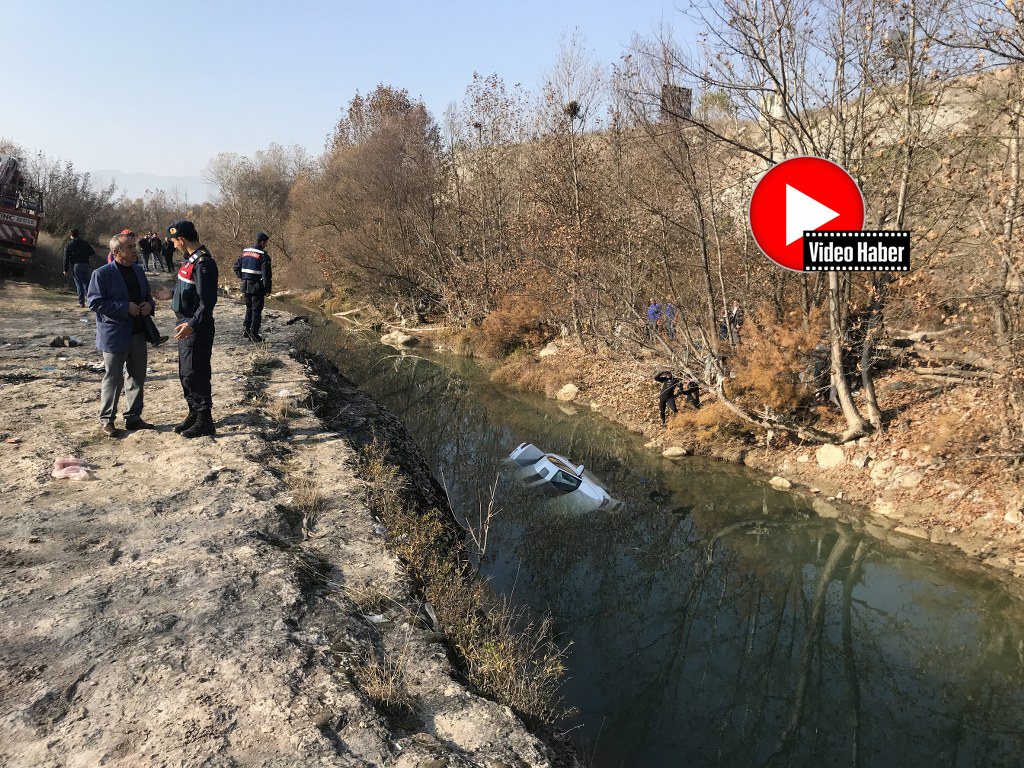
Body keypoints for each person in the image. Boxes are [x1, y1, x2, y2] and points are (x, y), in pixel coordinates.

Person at [86, 230, 156, 436]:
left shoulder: (139, 271)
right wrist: (124, 307)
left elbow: (147, 296)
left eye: (135, 246)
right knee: (113, 379)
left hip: (138, 333)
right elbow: (94, 302)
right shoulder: (101, 274)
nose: (135, 250)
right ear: (117, 251)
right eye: (130, 247)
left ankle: (133, 417)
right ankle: (107, 420)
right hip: (115, 335)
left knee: (137, 378)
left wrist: (149, 306)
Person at [168, 219, 219, 438]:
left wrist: (192, 324)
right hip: (185, 323)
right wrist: (170, 295)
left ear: (181, 239)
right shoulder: (190, 260)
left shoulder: (203, 263)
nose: (172, 245)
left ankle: (204, 419)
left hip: (195, 326)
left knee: (195, 372)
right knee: (185, 372)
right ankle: (193, 412)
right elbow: (188, 291)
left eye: (173, 241)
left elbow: (207, 303)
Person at [233, 231, 273, 342]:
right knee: (256, 311)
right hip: (257, 286)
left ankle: (246, 330)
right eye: (265, 243)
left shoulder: (245, 252)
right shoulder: (263, 256)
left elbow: (236, 267)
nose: (266, 245)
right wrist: (267, 289)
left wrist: (244, 277)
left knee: (249, 308)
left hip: (245, 285)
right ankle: (254, 334)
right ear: (261, 242)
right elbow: (266, 275)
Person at [62, 228, 96, 307]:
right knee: (87, 283)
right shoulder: (84, 243)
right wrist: (85, 254)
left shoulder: (68, 244)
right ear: (78, 234)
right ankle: (90, 301)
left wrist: (65, 269)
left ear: (71, 235)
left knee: (79, 284)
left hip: (76, 266)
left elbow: (66, 258)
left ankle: (81, 303)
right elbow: (92, 252)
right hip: (86, 265)